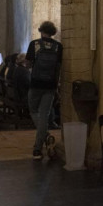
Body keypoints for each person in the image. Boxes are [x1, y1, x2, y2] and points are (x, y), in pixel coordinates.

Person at [26, 20, 63, 159]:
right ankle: (38, 148)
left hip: (36, 84)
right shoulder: (58, 46)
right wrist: (56, 85)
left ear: (41, 31)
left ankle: (43, 141)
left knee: (33, 111)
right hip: (50, 85)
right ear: (52, 32)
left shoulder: (34, 44)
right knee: (44, 115)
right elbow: (58, 68)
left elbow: (28, 64)